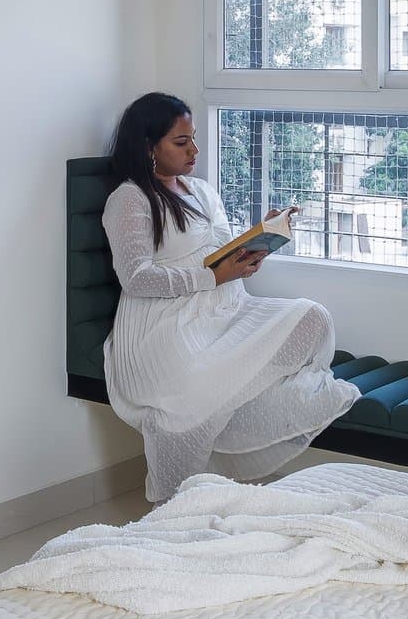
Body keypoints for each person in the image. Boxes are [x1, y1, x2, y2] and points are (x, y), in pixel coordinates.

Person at [99, 92, 359, 503]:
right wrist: (211, 276)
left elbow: (218, 251)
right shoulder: (130, 199)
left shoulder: (200, 191)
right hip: (165, 326)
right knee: (190, 392)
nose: (195, 151)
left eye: (194, 139)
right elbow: (137, 279)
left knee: (313, 317)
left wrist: (255, 245)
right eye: (181, 143)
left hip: (226, 310)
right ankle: (179, 493)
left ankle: (235, 406)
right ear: (149, 147)